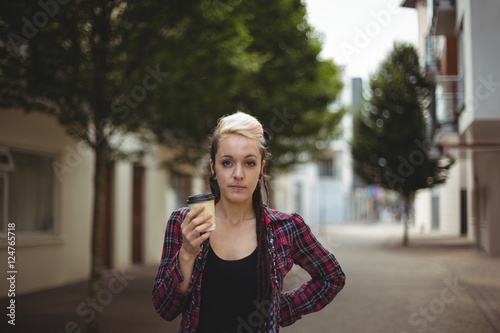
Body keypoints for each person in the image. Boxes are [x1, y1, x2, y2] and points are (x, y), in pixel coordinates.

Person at [152, 111, 346, 333]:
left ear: (261, 169)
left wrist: (278, 310)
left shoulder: (285, 227)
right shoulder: (186, 223)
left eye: (249, 163)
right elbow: (165, 308)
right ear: (213, 167)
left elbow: (332, 277)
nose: (238, 174)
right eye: (227, 162)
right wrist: (187, 253)